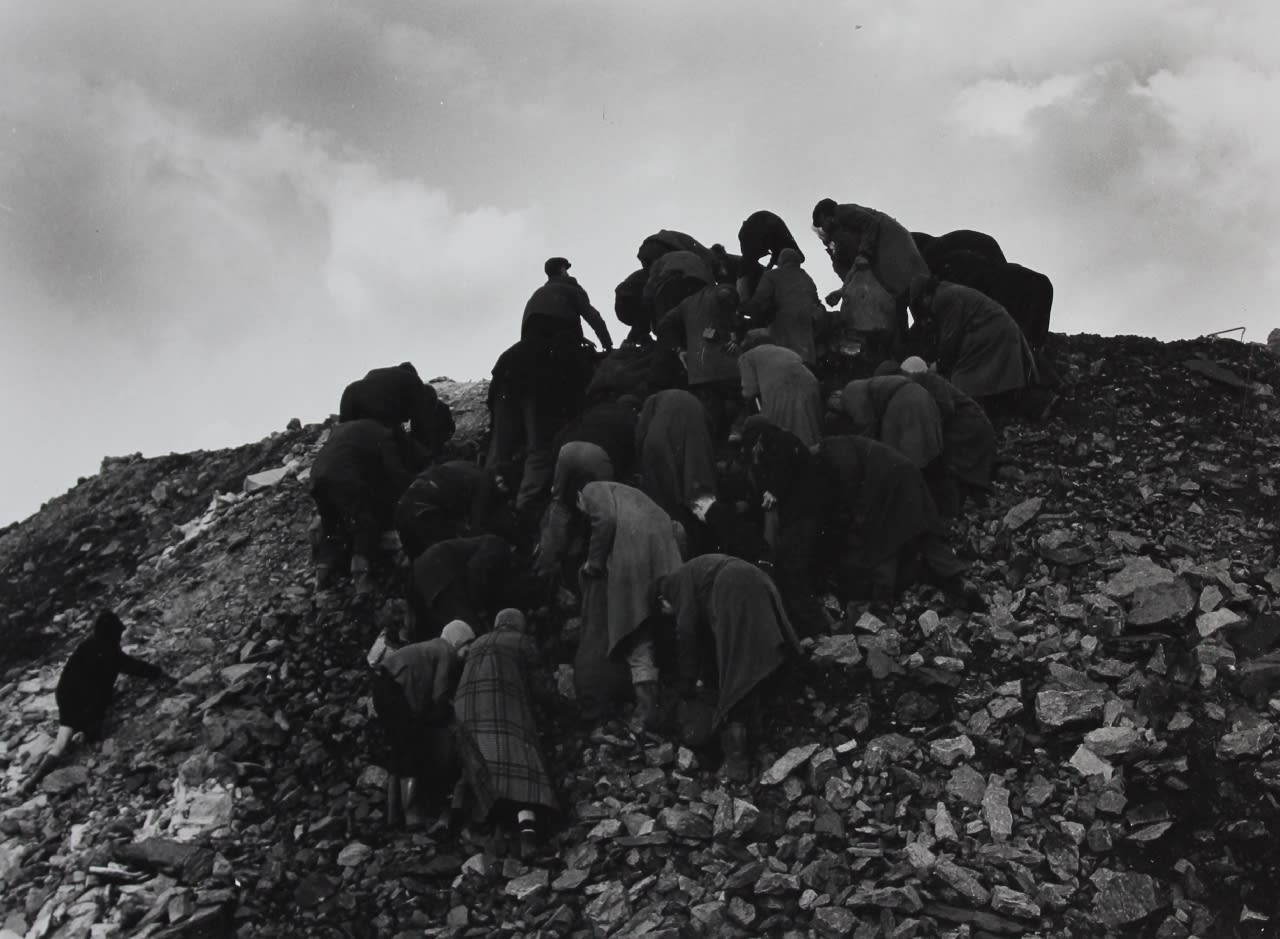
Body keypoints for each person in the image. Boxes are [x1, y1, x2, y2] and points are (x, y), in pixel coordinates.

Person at [655, 554, 801, 782]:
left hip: (733, 587)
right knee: (758, 652)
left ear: (661, 600)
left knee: (737, 675)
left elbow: (687, 633)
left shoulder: (674, 585)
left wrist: (687, 681)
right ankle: (768, 724)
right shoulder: (694, 574)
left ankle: (737, 764)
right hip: (756, 577)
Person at [20, 610, 170, 795]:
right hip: (84, 703)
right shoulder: (110, 652)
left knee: (61, 743)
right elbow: (133, 666)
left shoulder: (87, 645)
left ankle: (33, 780)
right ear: (112, 633)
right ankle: (86, 732)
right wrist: (158, 672)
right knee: (90, 733)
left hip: (66, 697)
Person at [575, 481, 684, 730]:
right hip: (665, 556)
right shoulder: (631, 494)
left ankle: (647, 714)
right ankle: (659, 708)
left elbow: (605, 520)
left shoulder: (592, 489)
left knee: (636, 637)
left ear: (578, 496)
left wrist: (594, 562)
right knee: (656, 631)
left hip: (633, 563)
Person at [452, 608, 557, 856]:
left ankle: (490, 831)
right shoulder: (521, 641)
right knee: (523, 771)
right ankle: (527, 836)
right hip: (504, 711)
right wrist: (559, 703)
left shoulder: (477, 642)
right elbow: (541, 687)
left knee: (487, 771)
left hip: (467, 712)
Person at [371, 620, 474, 829]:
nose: (469, 650)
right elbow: (439, 693)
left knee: (398, 751)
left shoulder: (431, 646)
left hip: (382, 687)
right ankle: (413, 815)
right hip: (395, 692)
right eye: (467, 644)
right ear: (457, 641)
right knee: (411, 749)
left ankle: (394, 814)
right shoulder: (446, 652)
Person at [908, 275, 1055, 420]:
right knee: (1001, 379)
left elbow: (951, 336)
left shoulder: (943, 299)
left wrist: (939, 364)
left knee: (963, 379)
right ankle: (1038, 405)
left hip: (993, 333)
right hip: (994, 331)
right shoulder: (947, 292)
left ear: (926, 295)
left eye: (921, 303)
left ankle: (1037, 405)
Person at [310, 418, 429, 596]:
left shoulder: (348, 429)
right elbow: (395, 472)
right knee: (364, 523)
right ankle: (361, 581)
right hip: (344, 476)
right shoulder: (386, 435)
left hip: (318, 475)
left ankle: (321, 577)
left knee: (330, 524)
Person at [812, 199, 930, 351]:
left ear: (826, 215)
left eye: (822, 222)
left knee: (912, 298)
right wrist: (842, 291)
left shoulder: (842, 212)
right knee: (905, 301)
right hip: (896, 258)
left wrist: (864, 253)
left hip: (895, 256)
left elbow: (870, 223)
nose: (824, 227)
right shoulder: (850, 228)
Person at [832, 376, 947, 511]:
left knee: (904, 458)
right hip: (919, 395)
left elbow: (866, 426)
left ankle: (916, 502)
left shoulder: (849, 396)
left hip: (904, 404)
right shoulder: (859, 385)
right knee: (927, 450)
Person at [900, 356, 996, 514]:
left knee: (953, 464)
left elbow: (946, 407)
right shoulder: (929, 381)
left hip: (969, 426)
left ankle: (963, 506)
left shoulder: (930, 381)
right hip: (971, 425)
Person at [655, 283, 742, 439]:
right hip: (727, 366)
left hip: (699, 372)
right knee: (740, 401)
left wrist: (679, 350)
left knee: (709, 419)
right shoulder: (722, 289)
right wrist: (734, 332)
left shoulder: (686, 303)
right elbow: (726, 297)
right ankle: (736, 432)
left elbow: (663, 324)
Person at [634, 389, 718, 542]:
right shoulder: (691, 406)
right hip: (684, 445)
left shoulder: (655, 403)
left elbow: (640, 435)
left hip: (657, 447)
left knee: (665, 500)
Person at [395, 461, 515, 561]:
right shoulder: (484, 484)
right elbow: (477, 531)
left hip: (405, 504)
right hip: (424, 508)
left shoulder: (468, 467)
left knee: (419, 562)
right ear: (500, 481)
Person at [408, 535, 516, 640]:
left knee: (452, 628)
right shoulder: (499, 547)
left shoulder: (492, 545)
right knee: (467, 627)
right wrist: (479, 607)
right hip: (439, 569)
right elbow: (476, 572)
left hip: (427, 572)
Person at [339, 363, 454, 455]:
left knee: (342, 439)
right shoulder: (415, 384)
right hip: (376, 407)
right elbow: (420, 423)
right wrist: (423, 451)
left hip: (350, 394)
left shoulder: (378, 374)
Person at [739, 248, 821, 365]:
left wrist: (744, 308)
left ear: (781, 260)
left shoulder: (772, 275)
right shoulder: (807, 279)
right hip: (806, 335)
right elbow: (815, 302)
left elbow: (760, 300)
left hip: (782, 327)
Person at [737, 339, 824, 448]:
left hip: (781, 387)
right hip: (809, 382)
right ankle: (814, 453)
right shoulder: (784, 350)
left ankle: (795, 457)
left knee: (784, 426)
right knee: (810, 424)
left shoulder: (746, 357)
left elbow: (749, 391)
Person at [521, 257, 613, 351]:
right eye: (566, 269)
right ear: (562, 269)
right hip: (560, 335)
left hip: (532, 338)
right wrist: (607, 345)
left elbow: (542, 324)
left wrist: (580, 338)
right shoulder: (571, 288)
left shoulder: (538, 293)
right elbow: (593, 317)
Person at [737, 210, 804, 299]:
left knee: (747, 263)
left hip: (764, 224)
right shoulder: (753, 242)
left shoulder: (770, 241)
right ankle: (743, 298)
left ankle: (743, 298)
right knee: (747, 263)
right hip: (765, 224)